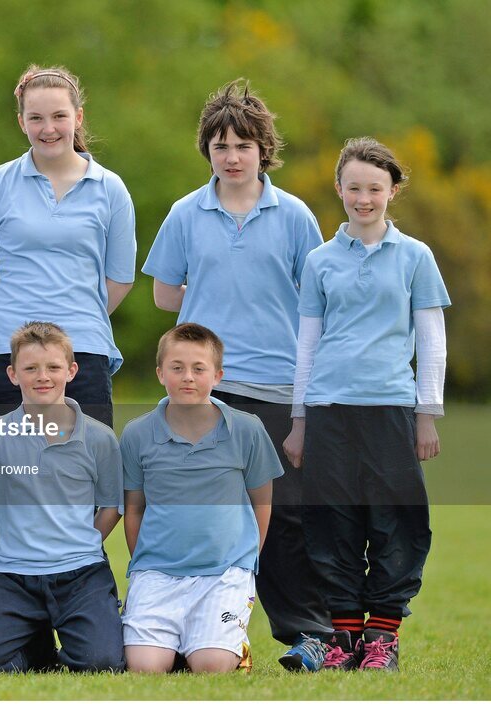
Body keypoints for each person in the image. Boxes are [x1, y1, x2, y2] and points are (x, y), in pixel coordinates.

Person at [142, 79, 330, 671]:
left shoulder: (295, 215)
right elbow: (165, 295)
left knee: (284, 517)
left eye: (243, 144)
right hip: (207, 389)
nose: (231, 156)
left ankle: (309, 634)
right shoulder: (184, 213)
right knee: (207, 516)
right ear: (208, 151)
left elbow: (319, 299)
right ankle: (206, 635)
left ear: (262, 150)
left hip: (277, 386)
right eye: (220, 145)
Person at [283, 138, 450, 672]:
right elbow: (306, 345)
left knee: (396, 522)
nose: (363, 198)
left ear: (391, 191)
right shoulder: (320, 261)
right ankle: (344, 639)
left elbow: (433, 341)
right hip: (329, 408)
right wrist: (299, 421)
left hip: (390, 410)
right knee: (331, 523)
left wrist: (427, 414)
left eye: (375, 189)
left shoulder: (416, 257)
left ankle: (383, 637)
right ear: (339, 188)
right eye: (353, 187)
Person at [0, 64, 136, 428]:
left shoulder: (110, 188)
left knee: (83, 470)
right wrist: (18, 319)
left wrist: (76, 314)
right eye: (36, 118)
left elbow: (120, 279)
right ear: (21, 122)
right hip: (5, 351)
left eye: (59, 116)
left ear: (78, 117)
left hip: (83, 351)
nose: (48, 129)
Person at [0, 322, 124, 673]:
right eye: (30, 368)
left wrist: (82, 542)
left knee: (102, 663)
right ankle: (37, 649)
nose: (42, 376)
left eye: (52, 367)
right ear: (13, 374)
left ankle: (72, 636)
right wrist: (9, 545)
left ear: (71, 370)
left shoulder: (99, 437)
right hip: (12, 573)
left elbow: (112, 506)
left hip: (81, 571)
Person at [121, 323, 281, 674]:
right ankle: (175, 642)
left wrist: (246, 559)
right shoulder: (136, 433)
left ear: (218, 375)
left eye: (199, 369)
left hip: (224, 572)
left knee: (212, 667)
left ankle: (224, 645)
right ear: (161, 373)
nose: (187, 377)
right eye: (177, 368)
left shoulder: (247, 428)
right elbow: (134, 509)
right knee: (145, 668)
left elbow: (262, 501)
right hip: (159, 571)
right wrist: (146, 564)